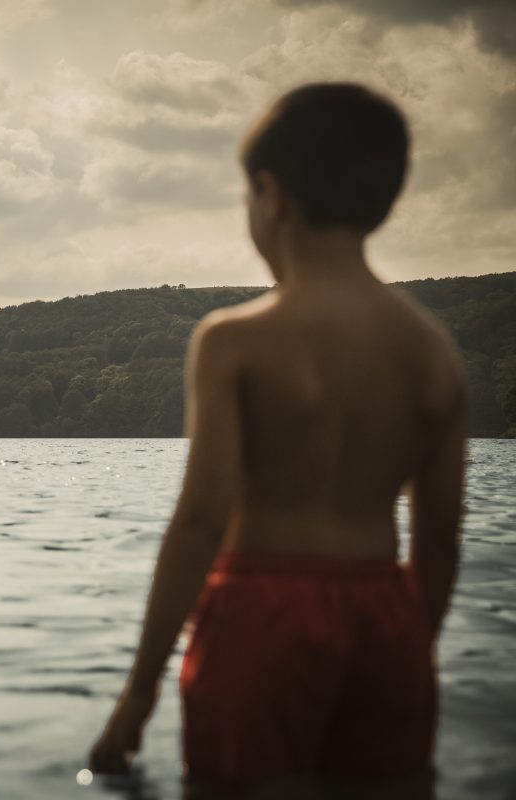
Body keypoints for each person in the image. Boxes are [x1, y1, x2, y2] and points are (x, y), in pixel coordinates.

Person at [88, 83, 467, 798]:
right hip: (388, 616)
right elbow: (441, 539)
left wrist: (139, 690)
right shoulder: (433, 352)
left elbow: (202, 519)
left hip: (261, 611)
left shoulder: (235, 341)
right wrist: (407, 652)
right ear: (384, 201)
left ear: (270, 195)